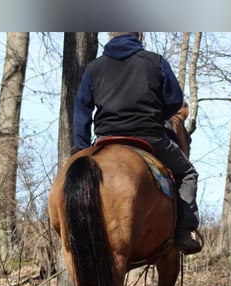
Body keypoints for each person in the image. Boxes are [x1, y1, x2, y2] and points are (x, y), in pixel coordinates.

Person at [73, 32, 202, 254]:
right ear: (139, 35)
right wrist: (157, 112)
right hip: (149, 137)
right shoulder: (155, 62)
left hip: (105, 139)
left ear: (110, 34)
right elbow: (175, 102)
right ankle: (183, 230)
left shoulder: (94, 68)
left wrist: (83, 148)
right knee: (188, 173)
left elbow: (81, 107)